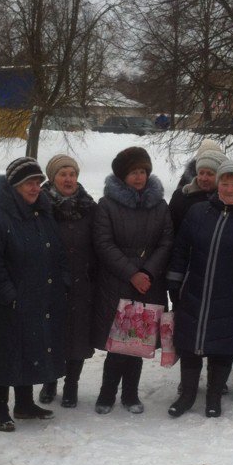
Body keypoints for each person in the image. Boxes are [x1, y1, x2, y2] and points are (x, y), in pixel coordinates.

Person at [167, 159, 233, 417]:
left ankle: (214, 396)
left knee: (222, 345)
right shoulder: (199, 211)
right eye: (224, 182)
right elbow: (181, 249)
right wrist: (174, 279)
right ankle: (188, 395)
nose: (229, 188)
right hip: (195, 288)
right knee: (190, 343)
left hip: (232, 294)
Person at [0, 156, 68, 430]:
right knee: (2, 356)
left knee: (29, 349)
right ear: (14, 185)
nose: (35, 188)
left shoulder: (42, 213)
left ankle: (24, 404)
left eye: (38, 182)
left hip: (37, 297)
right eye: (29, 183)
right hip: (7, 303)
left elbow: (55, 251)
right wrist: (10, 295)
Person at [93, 146, 173, 414]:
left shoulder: (159, 205)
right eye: (133, 172)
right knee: (118, 344)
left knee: (138, 343)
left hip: (150, 282)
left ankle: (130, 394)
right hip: (119, 281)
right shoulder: (107, 205)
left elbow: (166, 241)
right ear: (122, 175)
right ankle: (107, 394)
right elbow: (103, 244)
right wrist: (132, 273)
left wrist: (148, 272)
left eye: (142, 171)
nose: (139, 177)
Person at [38, 154, 96, 408]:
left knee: (78, 337)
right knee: (51, 336)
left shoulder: (89, 207)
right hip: (50, 284)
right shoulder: (40, 206)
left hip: (82, 283)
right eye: (63, 174)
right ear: (52, 178)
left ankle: (71, 385)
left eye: (72, 174)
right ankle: (50, 381)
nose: (68, 179)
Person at [168, 146, 225, 233]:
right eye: (201, 173)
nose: (204, 178)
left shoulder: (227, 201)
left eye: (210, 174)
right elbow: (169, 230)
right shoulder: (180, 196)